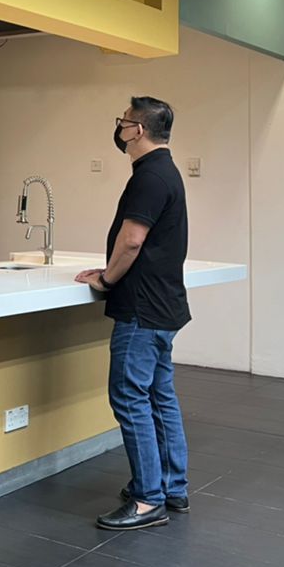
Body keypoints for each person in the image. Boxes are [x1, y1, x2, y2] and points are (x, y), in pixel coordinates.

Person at [76, 96, 190, 531]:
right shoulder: (166, 171)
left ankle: (147, 500)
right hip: (163, 304)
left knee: (129, 396)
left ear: (137, 130)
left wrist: (106, 280)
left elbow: (132, 240)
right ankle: (171, 486)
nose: (120, 128)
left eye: (123, 122)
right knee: (159, 396)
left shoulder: (149, 176)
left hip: (141, 308)